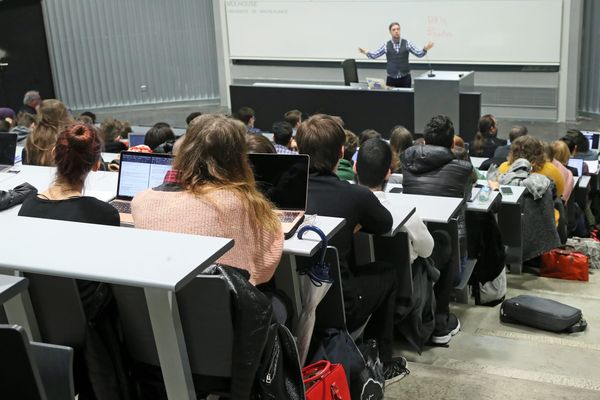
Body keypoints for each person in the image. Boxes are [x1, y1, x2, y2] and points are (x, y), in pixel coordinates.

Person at [18, 123, 128, 399]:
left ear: (54, 153)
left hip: (43, 322)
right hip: (91, 328)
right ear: (95, 165)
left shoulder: (27, 208)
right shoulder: (103, 214)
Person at [296, 114, 406, 381]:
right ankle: (384, 360)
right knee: (387, 271)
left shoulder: (281, 193)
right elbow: (385, 225)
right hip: (340, 308)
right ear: (342, 153)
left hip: (291, 305)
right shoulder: (355, 196)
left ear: (298, 150)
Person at [132, 114, 283, 286]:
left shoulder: (141, 200)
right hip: (229, 308)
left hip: (158, 305)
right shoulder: (245, 203)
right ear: (239, 158)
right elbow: (264, 270)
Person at [401, 115, 472, 345]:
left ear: (424, 140)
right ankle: (440, 321)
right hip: (445, 250)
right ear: (453, 144)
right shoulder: (462, 169)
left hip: (411, 245)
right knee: (448, 232)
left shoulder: (407, 161)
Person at [355, 138, 434, 264]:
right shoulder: (407, 216)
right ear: (388, 173)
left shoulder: (345, 213)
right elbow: (427, 251)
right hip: (403, 281)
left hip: (355, 279)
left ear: (355, 168)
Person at [359, 22, 434, 88]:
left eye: (398, 29)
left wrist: (425, 49)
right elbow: (375, 55)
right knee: (391, 102)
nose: (396, 31)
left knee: (406, 100)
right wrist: (366, 52)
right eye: (394, 30)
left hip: (405, 78)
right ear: (390, 32)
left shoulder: (407, 43)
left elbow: (419, 54)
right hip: (391, 78)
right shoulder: (386, 45)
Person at [498, 136, 565, 199]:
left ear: (513, 152)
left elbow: (499, 192)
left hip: (510, 209)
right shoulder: (551, 169)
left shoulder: (503, 168)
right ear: (540, 152)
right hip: (544, 209)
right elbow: (559, 192)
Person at [23, 99, 73, 166]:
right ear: (65, 113)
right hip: (65, 174)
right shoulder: (72, 134)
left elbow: (27, 161)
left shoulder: (32, 137)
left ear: (40, 115)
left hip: (38, 174)